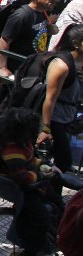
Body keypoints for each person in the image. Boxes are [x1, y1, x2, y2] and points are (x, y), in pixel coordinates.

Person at [0, 107, 64, 256]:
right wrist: (40, 174)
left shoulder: (23, 144)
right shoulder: (12, 150)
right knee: (40, 216)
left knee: (57, 202)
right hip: (19, 187)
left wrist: (44, 165)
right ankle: (28, 255)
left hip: (32, 181)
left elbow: (31, 160)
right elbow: (21, 176)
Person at [40, 23, 83, 179]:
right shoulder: (61, 65)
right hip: (54, 118)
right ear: (76, 44)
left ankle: (50, 196)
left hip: (68, 118)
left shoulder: (79, 63)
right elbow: (49, 98)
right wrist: (45, 128)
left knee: (59, 163)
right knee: (63, 162)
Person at [0, 0, 61, 77]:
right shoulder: (21, 15)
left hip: (34, 65)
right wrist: (2, 68)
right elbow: (4, 41)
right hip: (18, 68)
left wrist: (50, 28)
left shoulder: (42, 11)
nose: (54, 1)